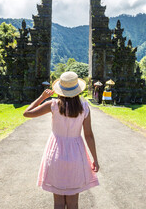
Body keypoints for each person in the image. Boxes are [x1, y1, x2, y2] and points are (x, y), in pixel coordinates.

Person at [23, 71, 99, 209]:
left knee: (58, 202)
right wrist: (95, 159)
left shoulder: (53, 105)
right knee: (73, 202)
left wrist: (42, 97)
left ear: (60, 89)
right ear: (77, 90)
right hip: (77, 155)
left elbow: (26, 113)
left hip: (55, 153)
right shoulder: (84, 107)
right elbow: (88, 135)